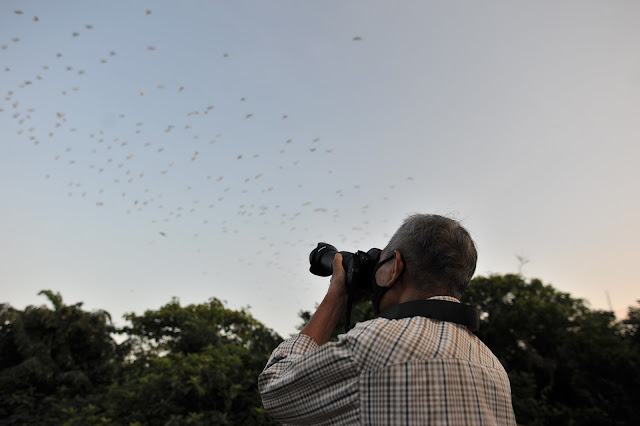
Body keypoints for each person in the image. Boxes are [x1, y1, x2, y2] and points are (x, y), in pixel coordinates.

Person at [259, 214, 516, 425]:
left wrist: (337, 296)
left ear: (394, 267)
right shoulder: (493, 368)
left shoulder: (373, 344)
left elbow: (275, 390)